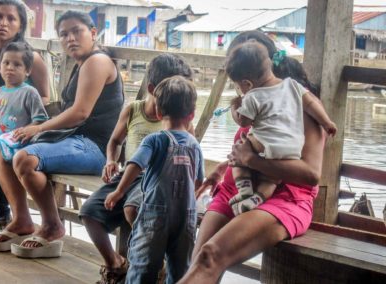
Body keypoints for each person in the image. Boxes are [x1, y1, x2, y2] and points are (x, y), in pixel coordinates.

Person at [178, 30, 326, 284]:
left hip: (285, 198)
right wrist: (223, 167)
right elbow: (263, 144)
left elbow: (311, 176)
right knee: (198, 259)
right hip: (237, 188)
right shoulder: (253, 98)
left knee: (210, 257)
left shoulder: (302, 106)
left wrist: (252, 161)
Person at [0, 10, 123, 258]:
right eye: (64, 34)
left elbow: (80, 113)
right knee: (2, 147)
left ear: (93, 33)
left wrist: (38, 128)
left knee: (25, 159)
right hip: (70, 139)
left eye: (76, 31)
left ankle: (51, 225)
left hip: (94, 148)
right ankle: (21, 220)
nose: (70, 38)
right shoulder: (82, 63)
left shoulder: (97, 61)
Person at [79, 53, 194, 284]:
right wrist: (110, 160)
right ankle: (115, 262)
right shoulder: (133, 110)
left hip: (156, 181)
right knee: (89, 212)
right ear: (152, 88)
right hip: (126, 176)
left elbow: (189, 155)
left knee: (133, 209)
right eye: (173, 90)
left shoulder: (180, 120)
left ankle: (150, 263)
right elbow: (115, 142)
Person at [104, 75, 204, 284]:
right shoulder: (194, 145)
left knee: (143, 265)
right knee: (180, 268)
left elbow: (135, 164)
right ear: (192, 115)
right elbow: (198, 180)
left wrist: (119, 191)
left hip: (155, 213)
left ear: (159, 113)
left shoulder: (155, 139)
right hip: (186, 215)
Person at [226, 41, 336, 215]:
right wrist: (327, 122)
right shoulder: (292, 85)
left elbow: (243, 122)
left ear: (246, 83)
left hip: (264, 145)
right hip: (291, 149)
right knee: (272, 177)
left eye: (238, 86)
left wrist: (234, 107)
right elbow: (311, 103)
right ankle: (259, 198)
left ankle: (244, 190)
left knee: (240, 152)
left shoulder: (252, 96)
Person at [0, 0, 50, 235]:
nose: (3, 23)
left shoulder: (31, 58)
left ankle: (2, 218)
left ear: (21, 24)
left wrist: (21, 117)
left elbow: (45, 99)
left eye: (11, 18)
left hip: (20, 132)